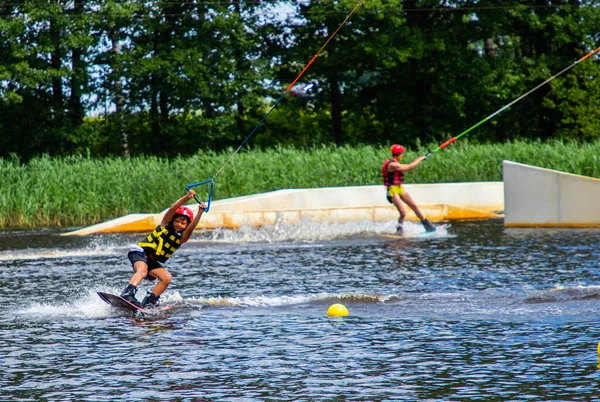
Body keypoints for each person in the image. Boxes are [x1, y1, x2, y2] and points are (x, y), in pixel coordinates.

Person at [120, 189, 206, 308]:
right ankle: (127, 293)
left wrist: (200, 212)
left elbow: (191, 228)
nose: (179, 224)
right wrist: (187, 197)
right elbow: (173, 208)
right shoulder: (165, 224)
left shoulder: (182, 238)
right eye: (177, 221)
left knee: (166, 278)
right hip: (140, 253)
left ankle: (149, 302)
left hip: (152, 262)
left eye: (182, 223)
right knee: (142, 271)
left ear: (186, 225)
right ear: (173, 220)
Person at [382, 144, 435, 234]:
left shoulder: (396, 164)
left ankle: (427, 224)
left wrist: (420, 159)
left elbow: (404, 169)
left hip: (399, 188)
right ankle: (399, 229)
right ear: (398, 154)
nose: (402, 155)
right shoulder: (392, 165)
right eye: (402, 153)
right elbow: (409, 167)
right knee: (403, 213)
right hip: (392, 190)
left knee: (414, 206)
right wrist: (419, 159)